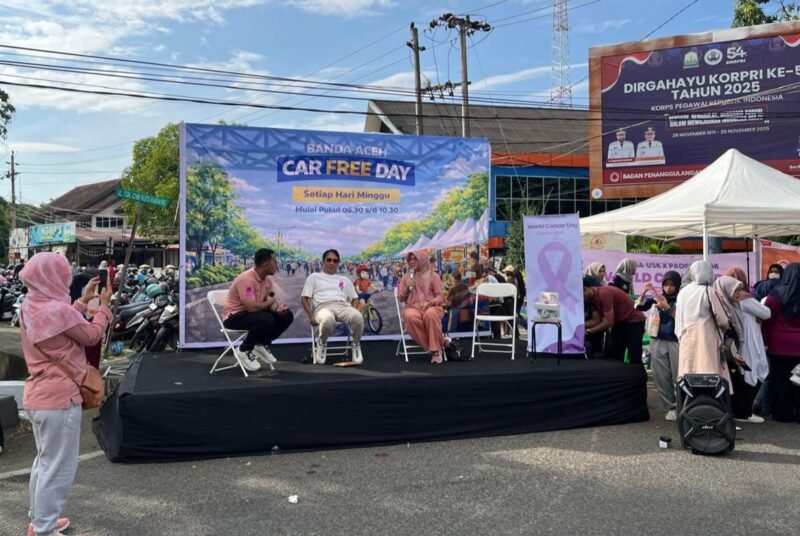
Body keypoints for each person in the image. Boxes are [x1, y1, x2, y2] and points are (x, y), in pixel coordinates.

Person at [19, 252, 113, 536]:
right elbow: (91, 336)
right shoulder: (57, 311)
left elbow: (63, 324)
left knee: (44, 462)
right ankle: (45, 529)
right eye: (63, 275)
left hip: (38, 396)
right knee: (57, 468)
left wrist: (83, 302)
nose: (66, 278)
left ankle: (40, 520)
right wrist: (104, 307)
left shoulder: (29, 304)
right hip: (60, 399)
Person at [223, 248, 294, 371]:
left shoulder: (267, 281)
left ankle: (261, 343)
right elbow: (251, 307)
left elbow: (269, 301)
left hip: (252, 314)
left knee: (287, 316)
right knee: (265, 318)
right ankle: (244, 349)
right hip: (234, 317)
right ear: (265, 264)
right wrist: (270, 302)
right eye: (275, 262)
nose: (277, 265)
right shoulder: (247, 280)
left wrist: (277, 309)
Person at [675, 261, 734, 393]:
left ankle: (690, 403)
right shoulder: (709, 291)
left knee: (689, 372)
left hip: (686, 338)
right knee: (708, 373)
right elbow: (723, 320)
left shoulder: (683, 293)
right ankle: (709, 405)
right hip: (707, 339)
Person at [724, 267, 770, 424]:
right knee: (750, 373)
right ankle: (744, 412)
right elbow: (766, 313)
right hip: (749, 344)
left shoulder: (723, 298)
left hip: (734, 344)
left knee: (740, 374)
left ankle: (740, 410)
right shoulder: (745, 299)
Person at [301, 249, 364, 365]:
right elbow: (304, 298)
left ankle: (355, 344)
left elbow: (355, 298)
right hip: (322, 307)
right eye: (328, 260)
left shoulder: (344, 279)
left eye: (335, 261)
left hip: (342, 306)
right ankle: (322, 343)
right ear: (323, 261)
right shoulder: (314, 277)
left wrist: (353, 310)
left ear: (338, 263)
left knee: (358, 317)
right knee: (327, 319)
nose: (332, 263)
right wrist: (311, 316)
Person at [635, 271, 681, 421]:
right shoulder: (657, 298)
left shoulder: (682, 300)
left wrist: (667, 308)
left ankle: (684, 405)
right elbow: (639, 307)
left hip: (675, 342)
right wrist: (643, 293)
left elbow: (682, 319)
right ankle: (670, 407)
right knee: (661, 376)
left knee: (679, 375)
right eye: (666, 284)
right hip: (658, 340)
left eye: (672, 285)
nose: (669, 288)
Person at [760, 263, 800, 423]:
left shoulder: (775, 296)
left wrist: (766, 340)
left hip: (779, 346)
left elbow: (768, 321)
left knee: (780, 381)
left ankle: (782, 414)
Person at [398, 250, 447, 364]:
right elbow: (401, 298)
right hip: (413, 307)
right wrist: (407, 287)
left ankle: (436, 349)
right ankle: (438, 346)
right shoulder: (406, 277)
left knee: (430, 314)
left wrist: (430, 303)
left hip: (432, 307)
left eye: (415, 259)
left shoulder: (434, 276)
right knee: (409, 316)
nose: (412, 262)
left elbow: (440, 297)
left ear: (423, 260)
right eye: (410, 260)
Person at [583, 277, 646, 364]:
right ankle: (620, 376)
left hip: (634, 322)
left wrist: (589, 331)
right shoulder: (591, 298)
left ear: (586, 288)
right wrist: (579, 326)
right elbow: (596, 320)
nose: (583, 298)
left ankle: (638, 376)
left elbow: (608, 321)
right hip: (619, 322)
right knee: (615, 355)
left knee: (634, 356)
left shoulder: (604, 294)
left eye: (582, 294)